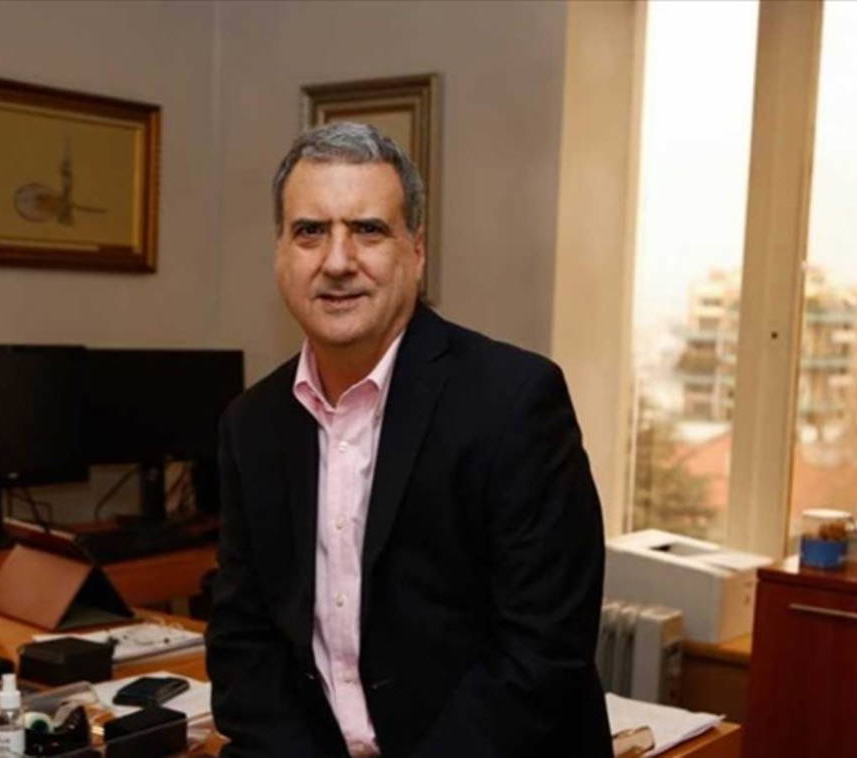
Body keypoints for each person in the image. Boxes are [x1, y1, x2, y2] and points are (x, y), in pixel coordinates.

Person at [207, 122, 611, 757]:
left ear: (416, 253)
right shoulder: (250, 424)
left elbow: (542, 651)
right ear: (280, 253)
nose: (336, 262)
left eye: (368, 230)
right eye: (309, 232)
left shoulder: (513, 402)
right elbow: (244, 640)